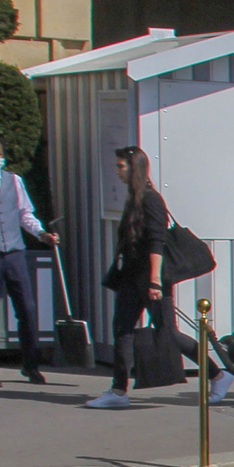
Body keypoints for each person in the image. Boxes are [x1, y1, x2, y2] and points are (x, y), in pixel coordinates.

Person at [85, 146, 177, 410]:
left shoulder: (150, 199)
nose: (117, 171)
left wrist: (155, 280)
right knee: (122, 329)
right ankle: (118, 389)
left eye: (120, 166)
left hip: (150, 280)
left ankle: (217, 374)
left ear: (134, 167)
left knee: (167, 332)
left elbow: (157, 241)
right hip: (131, 278)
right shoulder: (133, 198)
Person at [0, 137, 57, 387]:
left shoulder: (14, 181)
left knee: (27, 308)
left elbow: (25, 213)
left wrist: (41, 234)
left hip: (15, 252)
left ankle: (31, 365)